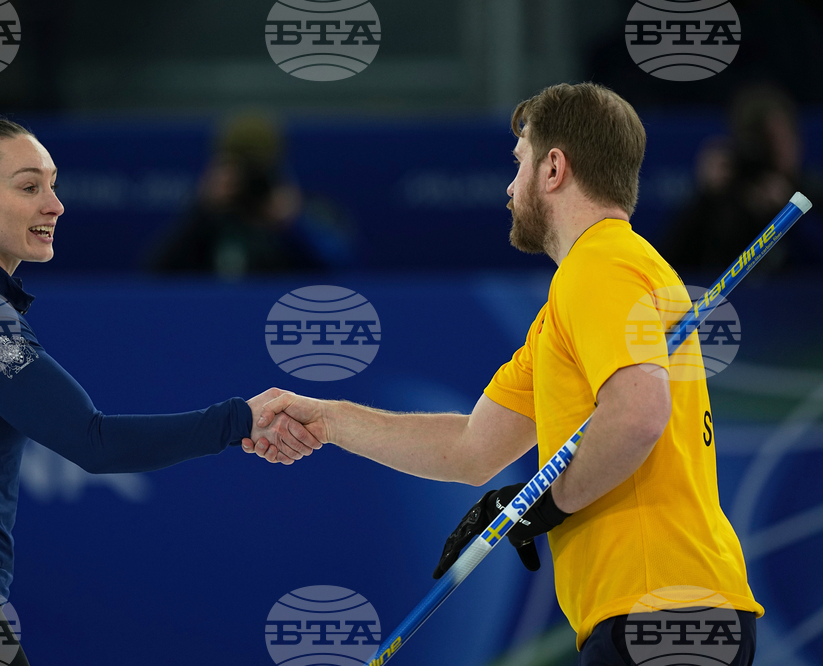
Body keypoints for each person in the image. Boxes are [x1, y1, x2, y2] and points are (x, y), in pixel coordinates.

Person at [245, 83, 763, 664]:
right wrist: (330, 420)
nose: (509, 188)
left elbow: (638, 415)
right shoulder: (580, 299)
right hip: (662, 609)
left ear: (554, 168)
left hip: (659, 608)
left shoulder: (602, 264)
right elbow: (471, 449)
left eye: (519, 164)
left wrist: (549, 502)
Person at [0, 118, 321, 666]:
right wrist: (240, 420)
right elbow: (94, 441)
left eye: (53, 184)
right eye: (28, 186)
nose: (55, 205)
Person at [144, 114, 355, 278]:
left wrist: (294, 224)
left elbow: (344, 272)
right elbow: (158, 276)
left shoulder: (309, 210)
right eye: (238, 166)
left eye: (257, 167)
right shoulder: (211, 221)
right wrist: (201, 212)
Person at [661, 83, 823, 273]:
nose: (780, 149)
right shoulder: (722, 199)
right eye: (767, 141)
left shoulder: (811, 193)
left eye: (786, 137)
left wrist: (790, 214)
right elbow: (669, 265)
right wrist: (704, 198)